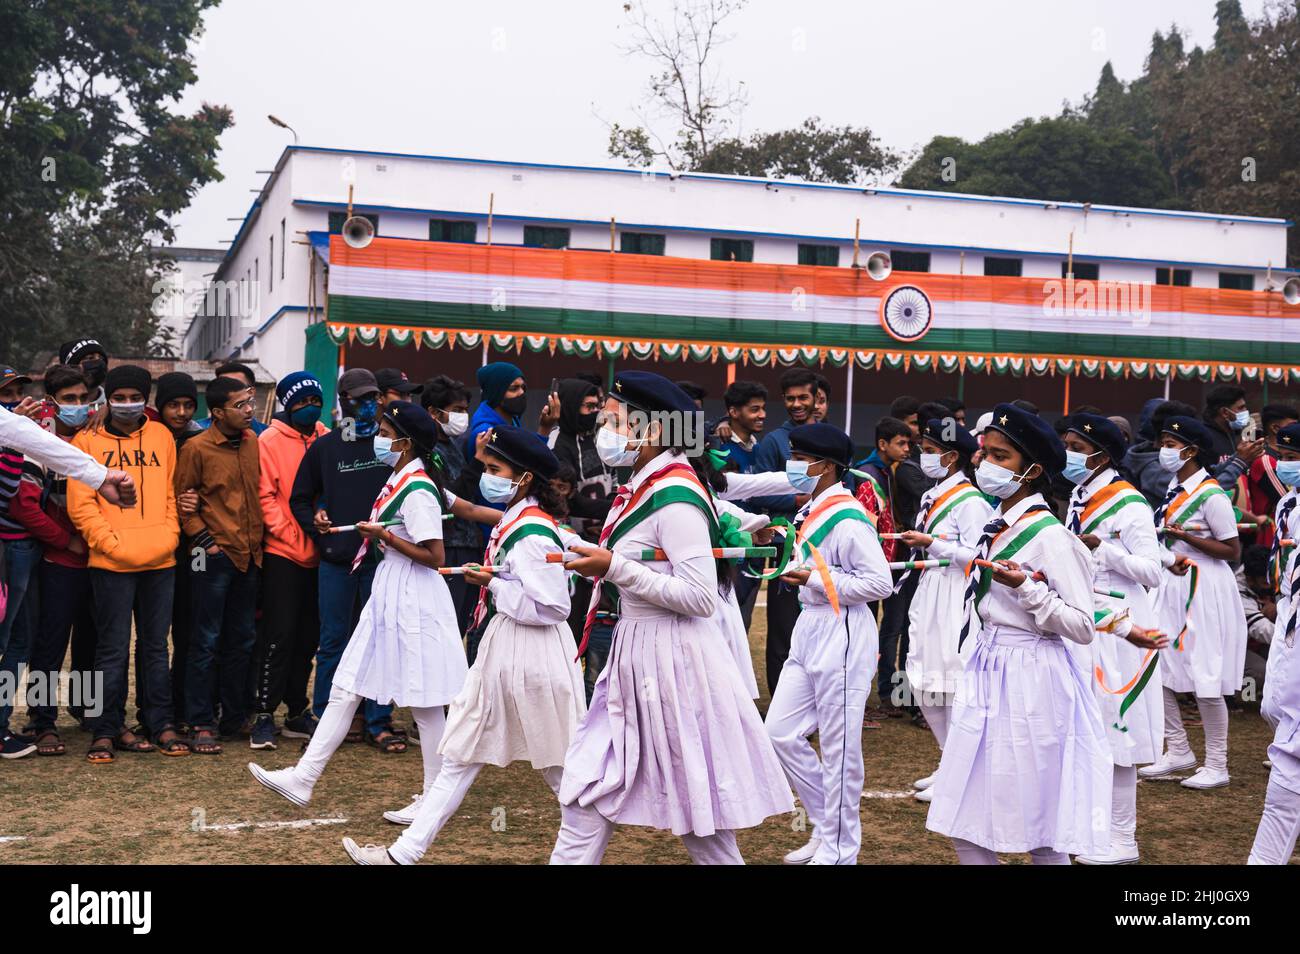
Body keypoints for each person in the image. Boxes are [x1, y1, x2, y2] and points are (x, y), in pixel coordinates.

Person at [549, 371, 793, 864]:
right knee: (588, 792)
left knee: (699, 820)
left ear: (653, 429)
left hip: (673, 665)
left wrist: (614, 567)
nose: (605, 428)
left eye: (615, 419)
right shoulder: (647, 482)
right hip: (639, 656)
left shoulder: (676, 494)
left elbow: (700, 596)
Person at [344, 425, 584, 864]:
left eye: (495, 469)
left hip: (532, 654)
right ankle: (403, 853)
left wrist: (493, 584)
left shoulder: (530, 530)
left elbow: (553, 607)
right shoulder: (520, 518)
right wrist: (495, 581)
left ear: (524, 478)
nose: (486, 476)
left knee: (563, 770)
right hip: (506, 648)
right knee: (459, 754)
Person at [250, 402, 467, 810]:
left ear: (403, 441)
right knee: (346, 687)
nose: (378, 437)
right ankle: (304, 776)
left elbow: (435, 555)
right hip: (390, 592)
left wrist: (383, 535)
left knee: (423, 702)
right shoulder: (399, 477)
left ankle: (436, 797)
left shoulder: (418, 487)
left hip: (411, 595)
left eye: (385, 430)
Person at [925, 403, 1112, 864]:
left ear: (1031, 470)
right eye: (985, 452)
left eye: (1000, 456)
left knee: (1040, 824)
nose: (985, 463)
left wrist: (1029, 589)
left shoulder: (1049, 535)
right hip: (991, 669)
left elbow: (1083, 626)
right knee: (965, 817)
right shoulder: (999, 522)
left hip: (1032, 679)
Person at [766, 423, 892, 865]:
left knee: (839, 750)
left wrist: (816, 578)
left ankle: (841, 850)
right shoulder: (814, 509)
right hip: (811, 626)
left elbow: (880, 582)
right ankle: (825, 827)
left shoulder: (849, 517)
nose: (793, 464)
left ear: (824, 465)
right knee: (779, 732)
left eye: (800, 457)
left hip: (843, 629)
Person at [1060, 413, 1167, 865]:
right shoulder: (1078, 495)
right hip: (1090, 619)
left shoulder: (1130, 503)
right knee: (1091, 729)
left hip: (1124, 625)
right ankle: (1094, 827)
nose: (1067, 455)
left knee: (1118, 731)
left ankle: (1124, 839)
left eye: (1075, 448)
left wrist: (1103, 548)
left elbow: (1151, 571)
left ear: (1100, 455)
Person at [67, 365, 188, 761]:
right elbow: (81, 505)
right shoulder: (86, 442)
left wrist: (170, 536)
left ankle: (160, 723)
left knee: (155, 648)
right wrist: (109, 543)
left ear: (145, 399)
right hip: (111, 564)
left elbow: (171, 495)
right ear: (107, 398)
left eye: (133, 396)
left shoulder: (162, 436)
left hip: (160, 561)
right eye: (117, 397)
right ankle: (105, 729)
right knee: (112, 650)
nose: (125, 404)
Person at [289, 368, 402, 753]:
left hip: (383, 560)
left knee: (381, 639)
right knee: (333, 641)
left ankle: (378, 721)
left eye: (373, 398)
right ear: (344, 402)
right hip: (337, 560)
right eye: (359, 399)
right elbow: (300, 499)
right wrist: (314, 519)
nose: (368, 405)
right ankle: (327, 720)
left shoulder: (392, 447)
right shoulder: (326, 448)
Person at [1140, 415, 1246, 790]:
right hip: (1172, 583)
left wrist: (1186, 537)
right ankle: (1179, 749)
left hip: (1204, 586)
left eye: (1171, 443)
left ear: (1191, 450)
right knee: (1159, 663)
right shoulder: (1174, 488)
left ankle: (1217, 763)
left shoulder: (1211, 494)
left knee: (1206, 672)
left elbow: (1231, 549)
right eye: (1164, 442)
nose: (1164, 450)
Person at [895, 417, 991, 803]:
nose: (923, 457)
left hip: (954, 595)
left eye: (931, 452)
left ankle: (959, 770)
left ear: (952, 457)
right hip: (930, 590)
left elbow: (979, 559)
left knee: (949, 682)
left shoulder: (971, 502)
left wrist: (933, 543)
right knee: (922, 680)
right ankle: (948, 760)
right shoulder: (932, 495)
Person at [174, 375, 264, 754]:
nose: (249, 410)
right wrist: (206, 542)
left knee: (241, 640)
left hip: (251, 556)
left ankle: (233, 716)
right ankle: (200, 721)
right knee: (204, 641)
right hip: (212, 557)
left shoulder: (252, 442)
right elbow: (180, 499)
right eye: (241, 405)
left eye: (250, 402)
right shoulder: (196, 448)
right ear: (217, 412)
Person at [249, 372, 329, 749]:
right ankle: (263, 712)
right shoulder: (268, 441)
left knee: (308, 637)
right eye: (299, 404)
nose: (308, 409)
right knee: (277, 635)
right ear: (286, 405)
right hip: (283, 552)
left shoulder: (327, 436)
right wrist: (295, 534)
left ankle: (298, 710)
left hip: (322, 553)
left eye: (313, 401)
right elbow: (265, 497)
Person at [22, 365, 98, 756]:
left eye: (84, 398)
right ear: (51, 402)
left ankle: (88, 712)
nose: (79, 406)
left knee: (92, 641)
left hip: (100, 559)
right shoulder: (37, 441)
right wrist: (66, 541)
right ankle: (41, 720)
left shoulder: (97, 437)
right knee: (50, 645)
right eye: (69, 400)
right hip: (57, 561)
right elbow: (25, 506)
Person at [1250, 422, 1300, 863]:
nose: (1285, 464)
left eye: (1293, 457)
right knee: (1272, 708)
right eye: (1280, 454)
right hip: (1289, 611)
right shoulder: (1288, 502)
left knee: (1292, 745)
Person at [752, 368, 819, 695]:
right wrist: (798, 498)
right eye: (790, 398)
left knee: (818, 627)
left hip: (823, 544)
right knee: (783, 629)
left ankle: (813, 703)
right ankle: (782, 706)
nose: (796, 404)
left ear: (815, 398)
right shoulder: (773, 441)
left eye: (803, 397)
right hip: (785, 545)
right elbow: (756, 493)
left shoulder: (828, 437)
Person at [154, 371, 203, 722]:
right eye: (173, 404)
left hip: (194, 548)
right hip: (155, 544)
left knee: (189, 628)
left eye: (188, 405)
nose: (182, 412)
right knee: (154, 636)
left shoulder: (201, 441)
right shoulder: (150, 438)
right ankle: (156, 709)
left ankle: (185, 704)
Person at [0, 366, 41, 756]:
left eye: (18, 391)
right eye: (6, 394)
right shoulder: (10, 435)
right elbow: (10, 490)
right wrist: (16, 436)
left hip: (21, 550)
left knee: (18, 641)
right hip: (9, 552)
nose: (14, 399)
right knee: (10, 641)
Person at [421, 375, 482, 634]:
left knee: (461, 625)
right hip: (448, 546)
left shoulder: (452, 444)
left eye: (465, 410)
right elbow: (450, 499)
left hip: (468, 545)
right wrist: (478, 460)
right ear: (434, 413)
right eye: (457, 410)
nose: (463, 417)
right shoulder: (428, 450)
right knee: (446, 626)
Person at [1246, 404, 1300, 549]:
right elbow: (1284, 495)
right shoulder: (1265, 460)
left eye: (1290, 458)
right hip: (1268, 534)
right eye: (1292, 425)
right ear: (1275, 428)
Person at [1239, 545, 1276, 700]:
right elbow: (1262, 630)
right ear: (1249, 579)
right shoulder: (1236, 590)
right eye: (1265, 583)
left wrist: (1279, 609)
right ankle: (1233, 695)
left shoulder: (1278, 573)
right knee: (1260, 673)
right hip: (1229, 650)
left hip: (1254, 644)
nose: (1271, 585)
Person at [194, 362, 268, 436]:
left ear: (251, 392)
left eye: (237, 386)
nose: (229, 389)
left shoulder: (267, 436)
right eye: (223, 386)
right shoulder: (195, 433)